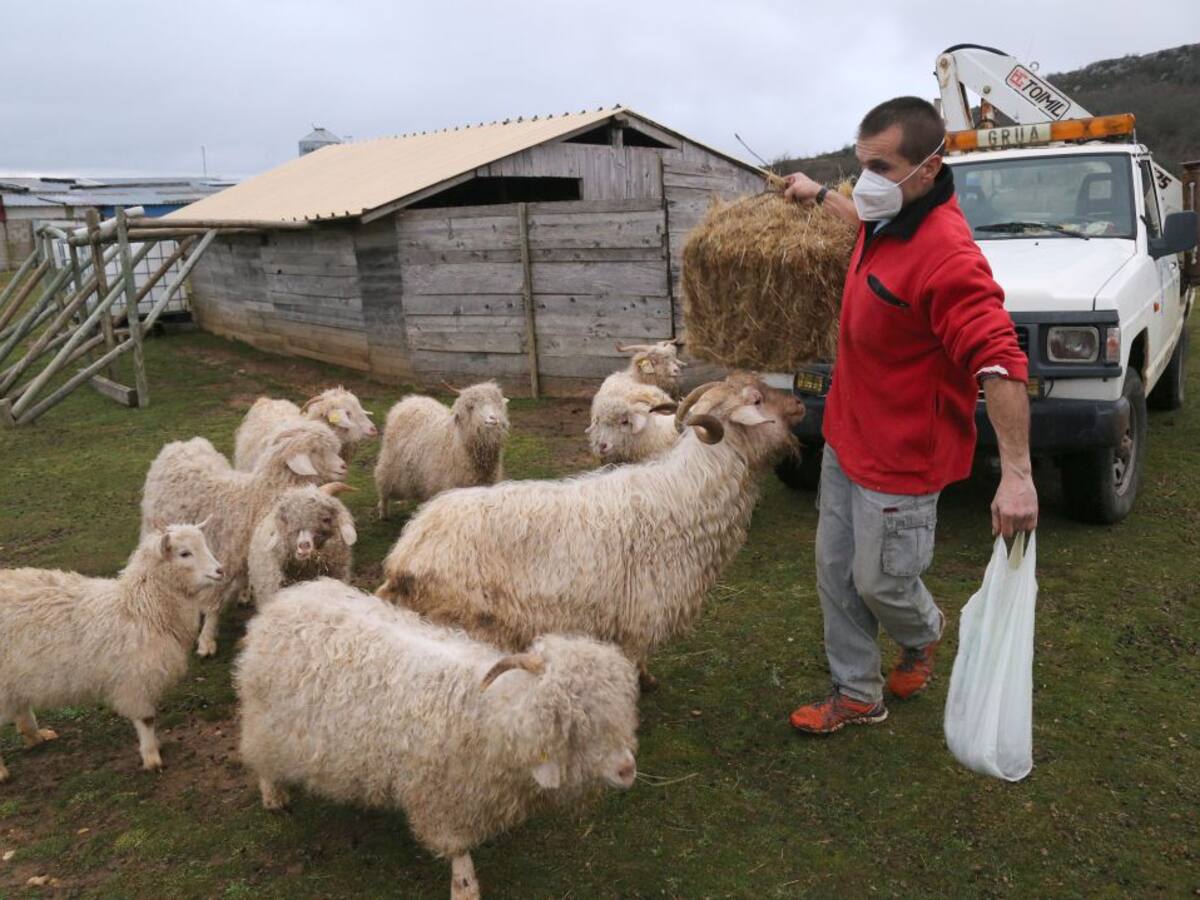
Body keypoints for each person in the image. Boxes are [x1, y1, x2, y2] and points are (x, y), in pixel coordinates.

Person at [783, 96, 1038, 734]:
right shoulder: (887, 213)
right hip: (847, 435)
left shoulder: (948, 257)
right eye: (860, 164)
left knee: (881, 583)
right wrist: (818, 193)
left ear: (930, 167)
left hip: (902, 458)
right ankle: (856, 693)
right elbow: (858, 215)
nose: (864, 181)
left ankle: (923, 633)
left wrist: (1017, 475)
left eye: (880, 167)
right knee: (835, 574)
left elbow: (1001, 363)